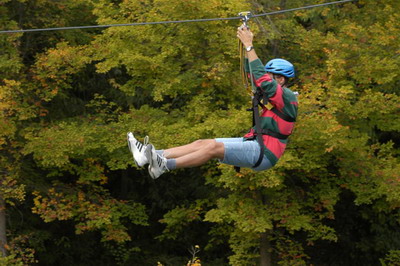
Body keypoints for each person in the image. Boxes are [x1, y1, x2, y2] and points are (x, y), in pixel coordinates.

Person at [127, 26, 298, 179]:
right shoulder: (275, 94)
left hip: (265, 153)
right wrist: (245, 48)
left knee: (212, 149)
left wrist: (249, 45)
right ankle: (149, 155)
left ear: (281, 79)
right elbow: (254, 75)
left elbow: (262, 79)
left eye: (271, 76)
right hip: (254, 143)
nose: (266, 79)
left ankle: (164, 166)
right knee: (203, 143)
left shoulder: (287, 97)